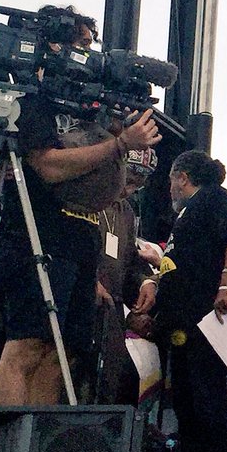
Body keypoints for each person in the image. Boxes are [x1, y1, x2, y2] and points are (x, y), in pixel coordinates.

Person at [0, 6, 161, 406]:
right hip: (38, 230)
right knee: (27, 346)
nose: (89, 53)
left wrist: (118, 129)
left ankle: (37, 441)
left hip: (81, 237)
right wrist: (119, 144)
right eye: (81, 44)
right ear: (54, 45)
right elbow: (48, 166)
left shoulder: (84, 107)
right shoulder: (32, 101)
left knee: (61, 353)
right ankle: (5, 438)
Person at [154, 151, 227, 452]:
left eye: (171, 179)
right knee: (187, 404)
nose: (169, 187)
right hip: (180, 324)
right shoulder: (185, 215)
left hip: (204, 319)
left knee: (208, 399)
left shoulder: (213, 197)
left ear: (182, 176)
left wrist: (226, 284)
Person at [92, 148, 159, 405]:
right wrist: (90, 280)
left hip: (112, 313)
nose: (129, 190)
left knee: (111, 380)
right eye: (128, 180)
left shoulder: (127, 212)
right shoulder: (87, 199)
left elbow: (130, 261)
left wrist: (146, 282)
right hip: (83, 302)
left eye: (137, 185)